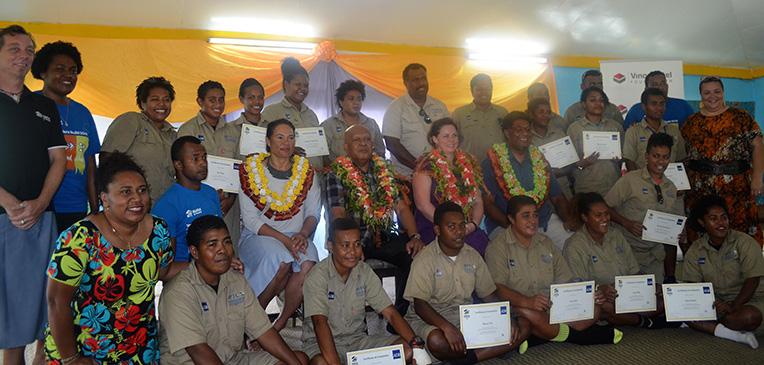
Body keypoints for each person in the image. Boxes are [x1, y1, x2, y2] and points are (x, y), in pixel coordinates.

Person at [44, 152, 182, 364]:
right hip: (83, 350)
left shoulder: (159, 230)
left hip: (139, 348)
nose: (137, 198)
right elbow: (56, 301)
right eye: (126, 192)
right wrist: (72, 359)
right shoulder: (80, 238)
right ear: (104, 198)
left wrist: (205, 265)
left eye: (142, 190)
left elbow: (163, 271)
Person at [0, 24, 66, 365]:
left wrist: (39, 205)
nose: (24, 56)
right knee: (9, 318)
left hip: (43, 218)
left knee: (46, 309)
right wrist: (10, 204)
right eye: (14, 48)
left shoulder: (44, 106)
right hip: (3, 219)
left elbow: (59, 159)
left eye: (29, 49)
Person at [159, 215, 309, 365]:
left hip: (232, 359)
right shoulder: (178, 292)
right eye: (212, 245)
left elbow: (264, 332)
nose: (222, 250)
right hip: (196, 362)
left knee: (298, 360)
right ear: (194, 252)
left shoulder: (236, 281)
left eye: (227, 242)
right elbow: (199, 352)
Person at [486, 195, 621, 348]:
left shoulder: (546, 242)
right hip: (519, 307)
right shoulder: (498, 247)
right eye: (526, 216)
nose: (533, 220)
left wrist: (586, 295)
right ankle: (581, 337)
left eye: (535, 215)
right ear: (511, 219)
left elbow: (566, 279)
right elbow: (498, 288)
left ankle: (538, 336)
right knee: (527, 316)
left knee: (595, 308)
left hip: (552, 306)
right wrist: (527, 302)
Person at [404, 201, 527, 364]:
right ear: (437, 230)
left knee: (524, 324)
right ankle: (491, 349)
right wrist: (447, 328)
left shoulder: (472, 255)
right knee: (437, 341)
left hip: (465, 316)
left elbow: (489, 295)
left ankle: (467, 359)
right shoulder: (424, 259)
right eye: (451, 227)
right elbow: (420, 305)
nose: (459, 232)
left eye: (462, 225)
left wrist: (507, 318)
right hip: (431, 319)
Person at [326, 125, 424, 315]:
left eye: (367, 139)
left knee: (415, 254)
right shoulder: (336, 172)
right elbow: (337, 213)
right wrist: (349, 247)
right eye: (357, 140)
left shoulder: (383, 170)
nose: (363, 144)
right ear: (346, 146)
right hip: (354, 240)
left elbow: (402, 208)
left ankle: (400, 315)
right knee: (347, 263)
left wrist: (415, 235)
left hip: (383, 237)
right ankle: (354, 324)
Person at [302, 218, 421, 364]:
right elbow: (320, 324)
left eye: (357, 244)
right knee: (321, 363)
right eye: (345, 245)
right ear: (330, 246)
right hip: (321, 345)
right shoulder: (317, 276)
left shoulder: (364, 271)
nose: (352, 251)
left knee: (406, 350)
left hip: (357, 342)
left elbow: (390, 313)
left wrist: (416, 345)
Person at [238, 119, 320, 331]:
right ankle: (255, 321)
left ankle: (279, 323)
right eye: (280, 137)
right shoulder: (251, 171)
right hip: (259, 236)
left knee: (308, 264)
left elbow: (312, 213)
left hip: (297, 235)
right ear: (268, 141)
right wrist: (285, 240)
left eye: (291, 138)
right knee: (282, 261)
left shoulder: (307, 172)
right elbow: (251, 220)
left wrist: (302, 234)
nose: (286, 143)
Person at [564, 192, 674, 329]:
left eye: (607, 214)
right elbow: (577, 289)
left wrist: (650, 286)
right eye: (598, 215)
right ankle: (642, 322)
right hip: (602, 299)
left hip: (627, 294)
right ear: (585, 217)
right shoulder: (575, 245)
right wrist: (600, 289)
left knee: (666, 296)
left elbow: (634, 271)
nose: (605, 219)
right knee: (602, 305)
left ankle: (624, 318)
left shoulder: (616, 235)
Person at [682, 76, 764, 245]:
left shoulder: (741, 117)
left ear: (723, 92)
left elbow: (758, 146)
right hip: (700, 190)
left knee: (739, 234)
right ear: (701, 95)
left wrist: (757, 178)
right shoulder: (691, 122)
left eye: (717, 92)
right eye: (707, 92)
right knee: (703, 235)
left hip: (737, 187)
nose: (713, 96)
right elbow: (684, 157)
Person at [32, 41, 100, 233]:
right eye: (60, 69)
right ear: (43, 72)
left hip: (76, 208)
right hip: (39, 207)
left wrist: (95, 209)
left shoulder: (83, 113)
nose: (68, 75)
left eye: (73, 70)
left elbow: (90, 166)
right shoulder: (29, 105)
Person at [483, 111, 577, 250]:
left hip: (543, 221)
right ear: (507, 133)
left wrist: (568, 221)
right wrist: (515, 228)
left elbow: (557, 197)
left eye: (528, 130)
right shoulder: (492, 162)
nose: (525, 133)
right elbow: (488, 204)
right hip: (506, 224)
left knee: (573, 245)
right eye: (519, 130)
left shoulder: (539, 159)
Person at [683, 195, 764, 348]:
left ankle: (712, 325)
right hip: (716, 303)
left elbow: (753, 280)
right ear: (702, 223)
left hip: (750, 300)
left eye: (724, 217)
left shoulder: (744, 242)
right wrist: (713, 304)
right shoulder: (696, 250)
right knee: (684, 311)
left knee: (749, 316)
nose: (721, 223)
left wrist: (733, 305)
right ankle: (731, 332)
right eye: (713, 218)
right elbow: (692, 286)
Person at [605, 133, 684, 283]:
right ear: (646, 156)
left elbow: (671, 231)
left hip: (654, 257)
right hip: (627, 254)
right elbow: (604, 207)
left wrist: (677, 234)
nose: (661, 161)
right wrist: (626, 223)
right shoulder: (630, 180)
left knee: (656, 301)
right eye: (656, 156)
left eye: (665, 157)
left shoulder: (671, 188)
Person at [178, 80, 240, 254]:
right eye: (212, 100)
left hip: (229, 205)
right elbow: (182, 171)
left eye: (221, 99)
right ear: (200, 101)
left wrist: (231, 199)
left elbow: (240, 168)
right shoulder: (187, 130)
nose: (218, 104)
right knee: (203, 251)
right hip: (198, 202)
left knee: (228, 251)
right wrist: (206, 199)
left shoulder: (233, 131)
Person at [412, 118, 489, 255]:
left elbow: (477, 200)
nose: (451, 140)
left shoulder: (468, 162)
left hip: (466, 225)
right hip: (435, 226)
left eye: (454, 135)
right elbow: (423, 205)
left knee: (482, 245)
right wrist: (451, 227)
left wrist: (473, 225)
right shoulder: (425, 165)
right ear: (434, 139)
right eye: (445, 136)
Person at [101, 76, 177, 202]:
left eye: (166, 100)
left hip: (165, 204)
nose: (162, 104)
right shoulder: (131, 120)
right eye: (155, 99)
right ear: (142, 103)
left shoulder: (172, 134)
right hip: (132, 203)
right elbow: (106, 159)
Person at [152, 136, 222, 263]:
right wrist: (203, 268)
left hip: (215, 266)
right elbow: (164, 269)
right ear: (178, 164)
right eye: (195, 158)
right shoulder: (166, 206)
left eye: (204, 157)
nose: (203, 163)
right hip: (185, 274)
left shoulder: (211, 193)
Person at [383, 63, 449, 176]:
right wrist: (420, 167)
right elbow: (392, 144)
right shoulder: (396, 108)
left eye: (424, 78)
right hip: (407, 177)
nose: (421, 83)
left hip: (439, 174)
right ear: (406, 83)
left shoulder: (440, 106)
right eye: (415, 80)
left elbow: (450, 137)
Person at [261, 57, 324, 171]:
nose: (302, 89)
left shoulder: (311, 115)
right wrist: (288, 149)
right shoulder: (271, 112)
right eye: (298, 84)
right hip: (286, 179)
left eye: (305, 85)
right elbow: (262, 146)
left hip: (315, 176)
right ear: (286, 84)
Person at [566, 87, 624, 197]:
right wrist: (582, 164)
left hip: (613, 186)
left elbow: (623, 156)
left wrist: (619, 158)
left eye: (601, 100)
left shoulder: (615, 127)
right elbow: (569, 163)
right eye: (593, 100)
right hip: (586, 187)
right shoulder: (574, 129)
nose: (598, 103)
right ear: (583, 104)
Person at [320, 79, 385, 164]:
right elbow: (322, 156)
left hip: (368, 174)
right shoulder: (328, 125)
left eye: (359, 99)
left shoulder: (371, 124)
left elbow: (380, 152)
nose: (356, 103)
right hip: (337, 174)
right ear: (341, 102)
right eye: (351, 99)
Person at [623, 88, 686, 171]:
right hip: (643, 181)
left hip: (670, 181)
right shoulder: (633, 132)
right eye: (654, 104)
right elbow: (629, 161)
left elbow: (680, 159)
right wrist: (637, 182)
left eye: (662, 104)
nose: (659, 108)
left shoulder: (674, 130)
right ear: (644, 106)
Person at [452, 73, 508, 164]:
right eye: (479, 89)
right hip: (469, 168)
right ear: (472, 91)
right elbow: (452, 141)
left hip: (499, 168)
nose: (484, 93)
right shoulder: (459, 114)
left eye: (487, 89)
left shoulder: (502, 112)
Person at [528, 97, 574, 199]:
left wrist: (561, 172)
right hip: (539, 192)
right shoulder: (526, 137)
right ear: (531, 114)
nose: (546, 115)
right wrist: (547, 173)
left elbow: (571, 162)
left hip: (563, 188)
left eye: (548, 112)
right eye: (541, 112)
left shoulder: (559, 133)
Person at [623, 70, 694, 130]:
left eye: (662, 83)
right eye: (655, 84)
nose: (660, 87)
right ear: (646, 89)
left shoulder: (683, 106)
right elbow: (628, 135)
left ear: (667, 86)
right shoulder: (636, 110)